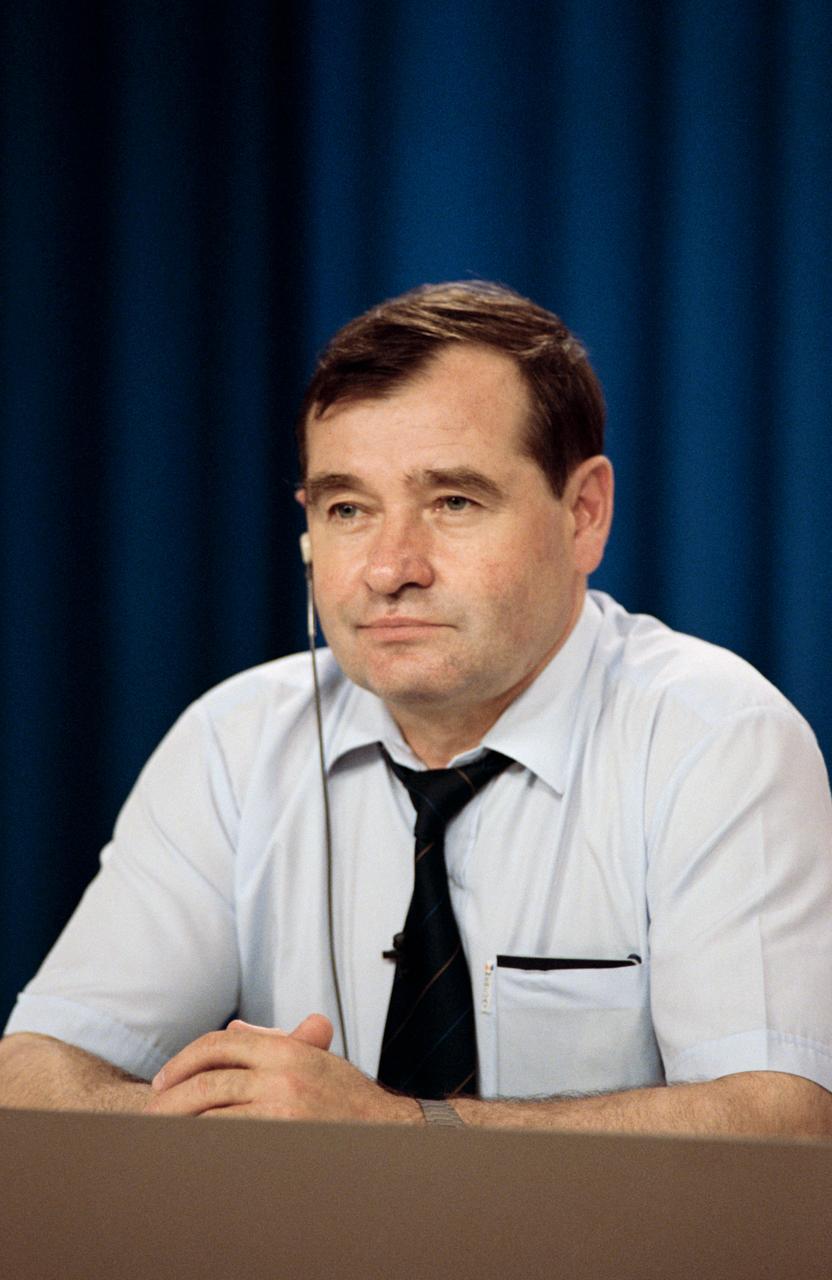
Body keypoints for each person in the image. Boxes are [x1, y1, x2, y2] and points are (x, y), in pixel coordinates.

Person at [2, 281, 831, 1135]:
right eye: (348, 509)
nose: (390, 567)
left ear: (584, 514)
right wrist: (211, 1121)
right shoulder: (233, 742)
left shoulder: (718, 738)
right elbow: (32, 1075)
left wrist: (402, 1134)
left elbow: (778, 1124)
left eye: (454, 502)